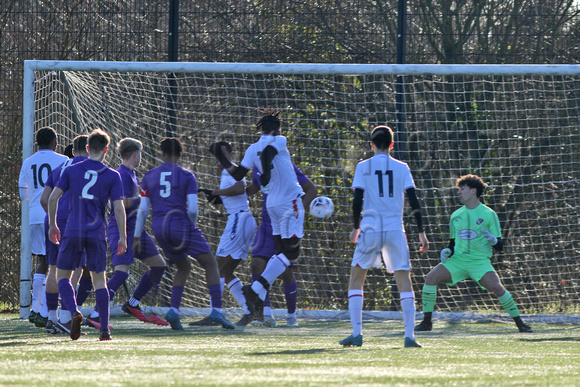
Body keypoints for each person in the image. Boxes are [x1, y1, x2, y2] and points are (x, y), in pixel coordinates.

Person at [210, 109, 306, 319]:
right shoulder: (279, 139)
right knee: (291, 254)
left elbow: (237, 174)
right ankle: (254, 290)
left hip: (271, 204)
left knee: (280, 250)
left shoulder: (253, 148)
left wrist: (221, 158)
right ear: (277, 128)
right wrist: (268, 174)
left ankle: (258, 291)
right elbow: (271, 152)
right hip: (290, 202)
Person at [339, 125, 429, 348]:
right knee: (403, 280)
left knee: (357, 279)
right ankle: (409, 336)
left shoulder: (363, 166)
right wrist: (421, 232)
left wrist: (355, 227)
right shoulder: (402, 167)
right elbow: (414, 201)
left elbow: (357, 200)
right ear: (391, 144)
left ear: (371, 144)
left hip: (370, 227)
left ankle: (357, 333)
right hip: (395, 229)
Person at [133, 137, 234, 330]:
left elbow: (144, 210)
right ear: (181, 153)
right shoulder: (187, 175)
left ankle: (174, 311)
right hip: (180, 225)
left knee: (183, 266)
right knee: (211, 263)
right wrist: (190, 230)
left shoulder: (149, 176)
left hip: (159, 228)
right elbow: (193, 210)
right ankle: (217, 311)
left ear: (162, 153)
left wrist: (137, 236)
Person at [415, 174, 533, 334]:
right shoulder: (456, 215)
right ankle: (427, 322)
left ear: (473, 191)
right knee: (430, 278)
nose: (459, 193)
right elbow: (453, 244)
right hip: (458, 261)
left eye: (462, 189)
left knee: (497, 288)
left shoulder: (489, 214)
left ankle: (520, 324)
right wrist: (448, 250)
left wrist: (493, 240)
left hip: (479, 262)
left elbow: (500, 246)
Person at [48, 129, 127, 341]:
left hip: (72, 231)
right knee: (99, 280)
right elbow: (119, 209)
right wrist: (123, 236)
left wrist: (53, 225)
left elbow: (53, 198)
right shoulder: (113, 175)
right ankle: (104, 330)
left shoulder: (71, 170)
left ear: (88, 148)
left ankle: (74, 312)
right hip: (97, 234)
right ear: (107, 150)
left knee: (62, 276)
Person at [88, 138, 169, 328]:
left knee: (159, 266)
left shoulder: (132, 174)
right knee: (122, 274)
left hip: (136, 230)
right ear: (134, 154)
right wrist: (142, 200)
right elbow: (121, 204)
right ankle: (95, 313)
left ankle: (132, 304)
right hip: (120, 227)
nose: (141, 157)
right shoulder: (121, 174)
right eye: (140, 153)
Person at [247, 163, 317, 327]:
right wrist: (233, 193)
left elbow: (311, 190)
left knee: (286, 271)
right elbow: (254, 187)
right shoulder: (258, 166)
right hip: (266, 224)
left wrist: (297, 212)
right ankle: (264, 315)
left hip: (286, 223)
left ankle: (291, 316)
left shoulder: (287, 166)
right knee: (257, 264)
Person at [195, 141, 257, 327]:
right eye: (216, 155)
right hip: (243, 219)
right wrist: (219, 198)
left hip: (238, 220)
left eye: (221, 154)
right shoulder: (232, 171)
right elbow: (241, 193)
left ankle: (216, 313)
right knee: (227, 271)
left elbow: (239, 189)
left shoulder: (231, 171)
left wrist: (215, 192)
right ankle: (248, 310)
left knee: (217, 267)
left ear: (231, 154)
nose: (218, 159)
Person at [19, 127, 69, 327]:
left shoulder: (28, 162)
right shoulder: (63, 161)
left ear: (37, 142)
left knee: (42, 260)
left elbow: (24, 194)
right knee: (57, 264)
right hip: (56, 215)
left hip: (34, 216)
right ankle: (46, 311)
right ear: (55, 142)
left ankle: (35, 309)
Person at [40, 135, 88, 334]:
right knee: (75, 268)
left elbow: (45, 198)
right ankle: (67, 317)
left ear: (73, 151)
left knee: (53, 268)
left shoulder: (60, 168)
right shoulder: (90, 169)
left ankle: (51, 319)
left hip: (52, 221)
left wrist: (53, 220)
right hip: (74, 222)